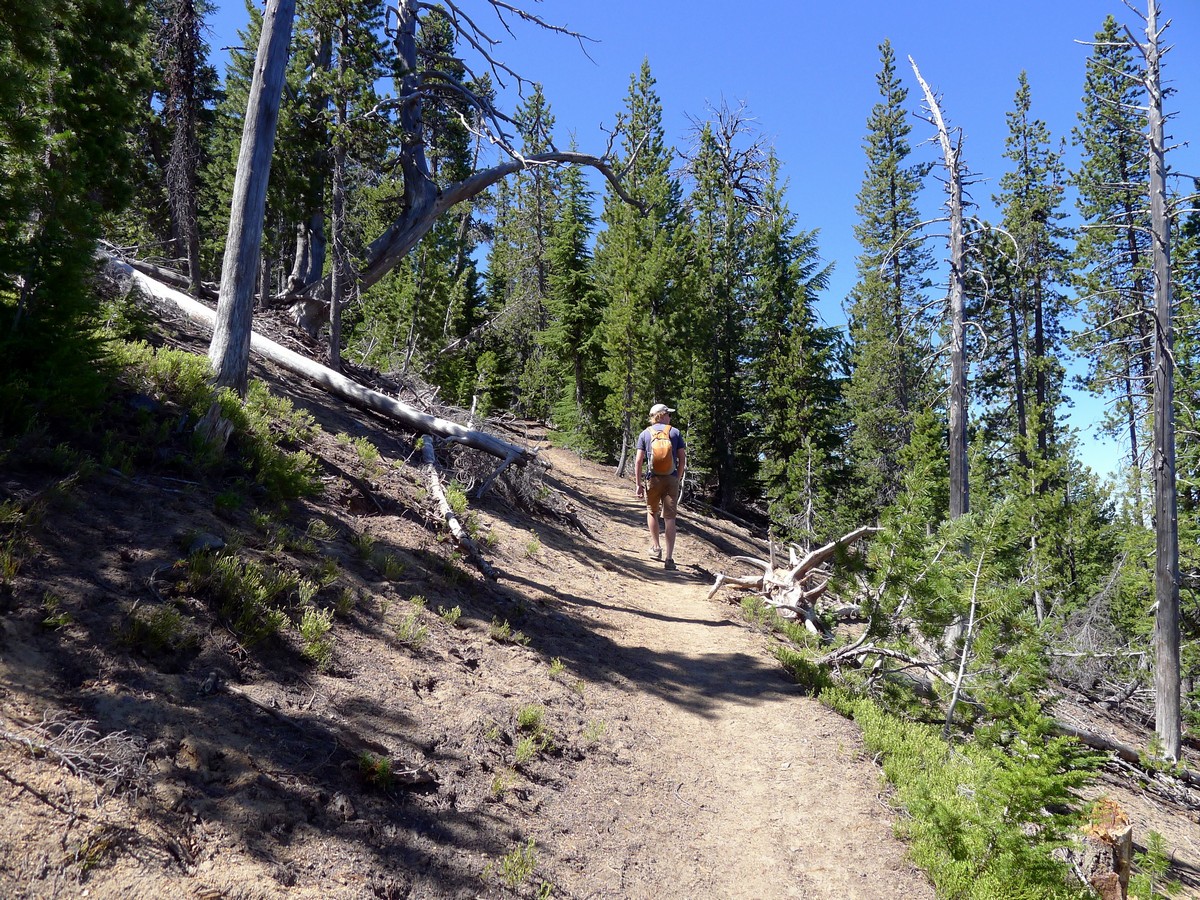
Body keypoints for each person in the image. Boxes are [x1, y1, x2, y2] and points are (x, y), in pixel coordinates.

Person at [633, 403, 686, 571]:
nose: (670, 417)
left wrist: (638, 484)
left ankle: (656, 548)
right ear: (662, 415)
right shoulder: (675, 432)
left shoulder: (645, 434)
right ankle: (669, 559)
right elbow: (682, 458)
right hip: (671, 479)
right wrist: (677, 477)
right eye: (668, 414)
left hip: (653, 479)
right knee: (670, 518)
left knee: (652, 511)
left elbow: (639, 461)